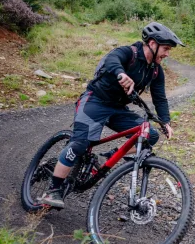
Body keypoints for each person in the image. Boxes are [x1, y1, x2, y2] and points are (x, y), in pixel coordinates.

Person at [39, 22, 185, 208]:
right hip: (95, 102)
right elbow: (111, 59)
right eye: (165, 49)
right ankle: (53, 190)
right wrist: (120, 74)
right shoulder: (129, 52)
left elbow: (160, 98)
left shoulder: (156, 70)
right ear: (152, 43)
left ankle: (104, 158)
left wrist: (165, 121)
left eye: (169, 50)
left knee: (149, 135)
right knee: (81, 143)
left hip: (118, 109)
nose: (167, 54)